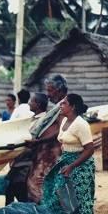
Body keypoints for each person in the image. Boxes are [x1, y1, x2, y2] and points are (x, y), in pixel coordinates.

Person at [41, 94, 95, 214]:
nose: (60, 106)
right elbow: (63, 143)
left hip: (81, 164)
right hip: (65, 161)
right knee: (60, 196)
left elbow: (89, 149)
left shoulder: (81, 124)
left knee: (80, 199)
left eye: (64, 104)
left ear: (72, 107)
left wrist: (72, 166)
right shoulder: (64, 120)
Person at [26, 74, 68, 203]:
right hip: (45, 155)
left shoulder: (64, 106)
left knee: (39, 186)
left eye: (50, 90)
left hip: (52, 156)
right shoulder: (59, 106)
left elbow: (59, 130)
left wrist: (40, 141)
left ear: (59, 90)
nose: (48, 95)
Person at [5, 93, 49, 205]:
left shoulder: (43, 121)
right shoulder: (32, 119)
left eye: (31, 101)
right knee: (10, 188)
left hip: (28, 162)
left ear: (38, 104)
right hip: (21, 160)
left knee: (19, 189)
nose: (29, 103)